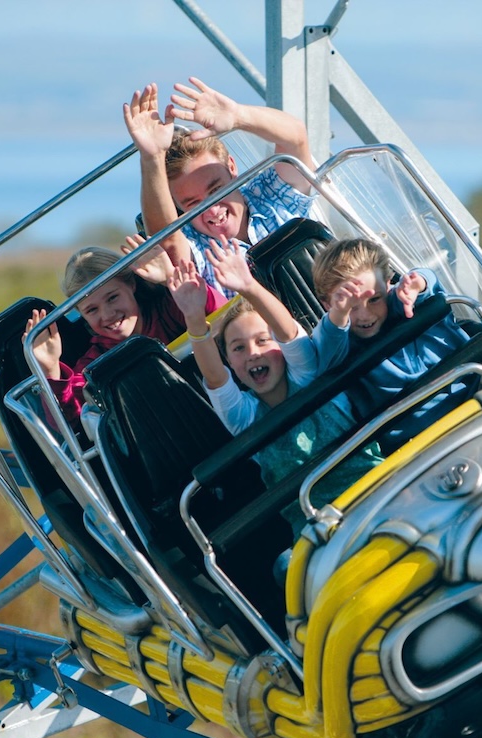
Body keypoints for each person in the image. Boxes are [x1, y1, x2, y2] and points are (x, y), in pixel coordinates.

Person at [168, 236, 380, 530]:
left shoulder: (308, 374)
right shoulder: (244, 418)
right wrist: (193, 317)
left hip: (375, 489)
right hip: (318, 523)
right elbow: (215, 378)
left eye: (263, 340)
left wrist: (249, 287)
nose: (253, 352)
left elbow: (289, 332)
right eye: (238, 348)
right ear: (229, 362)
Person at [309, 237, 482, 450]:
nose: (365, 314)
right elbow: (328, 340)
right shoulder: (340, 343)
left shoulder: (403, 304)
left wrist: (417, 284)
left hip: (476, 394)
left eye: (374, 299)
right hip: (421, 436)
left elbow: (427, 281)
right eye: (351, 306)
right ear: (328, 305)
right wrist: (339, 315)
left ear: (388, 285)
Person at [124, 78, 317, 298]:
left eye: (216, 191)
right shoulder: (194, 244)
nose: (213, 211)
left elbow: (296, 139)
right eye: (194, 204)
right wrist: (152, 157)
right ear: (176, 204)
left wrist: (238, 116)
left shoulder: (268, 193)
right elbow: (167, 240)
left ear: (232, 168)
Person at [25, 236, 223, 425]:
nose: (108, 314)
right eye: (92, 310)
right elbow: (70, 420)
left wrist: (170, 278)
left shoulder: (170, 309)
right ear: (81, 314)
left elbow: (222, 319)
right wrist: (50, 368)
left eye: (112, 298)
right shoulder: (94, 363)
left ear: (131, 284)